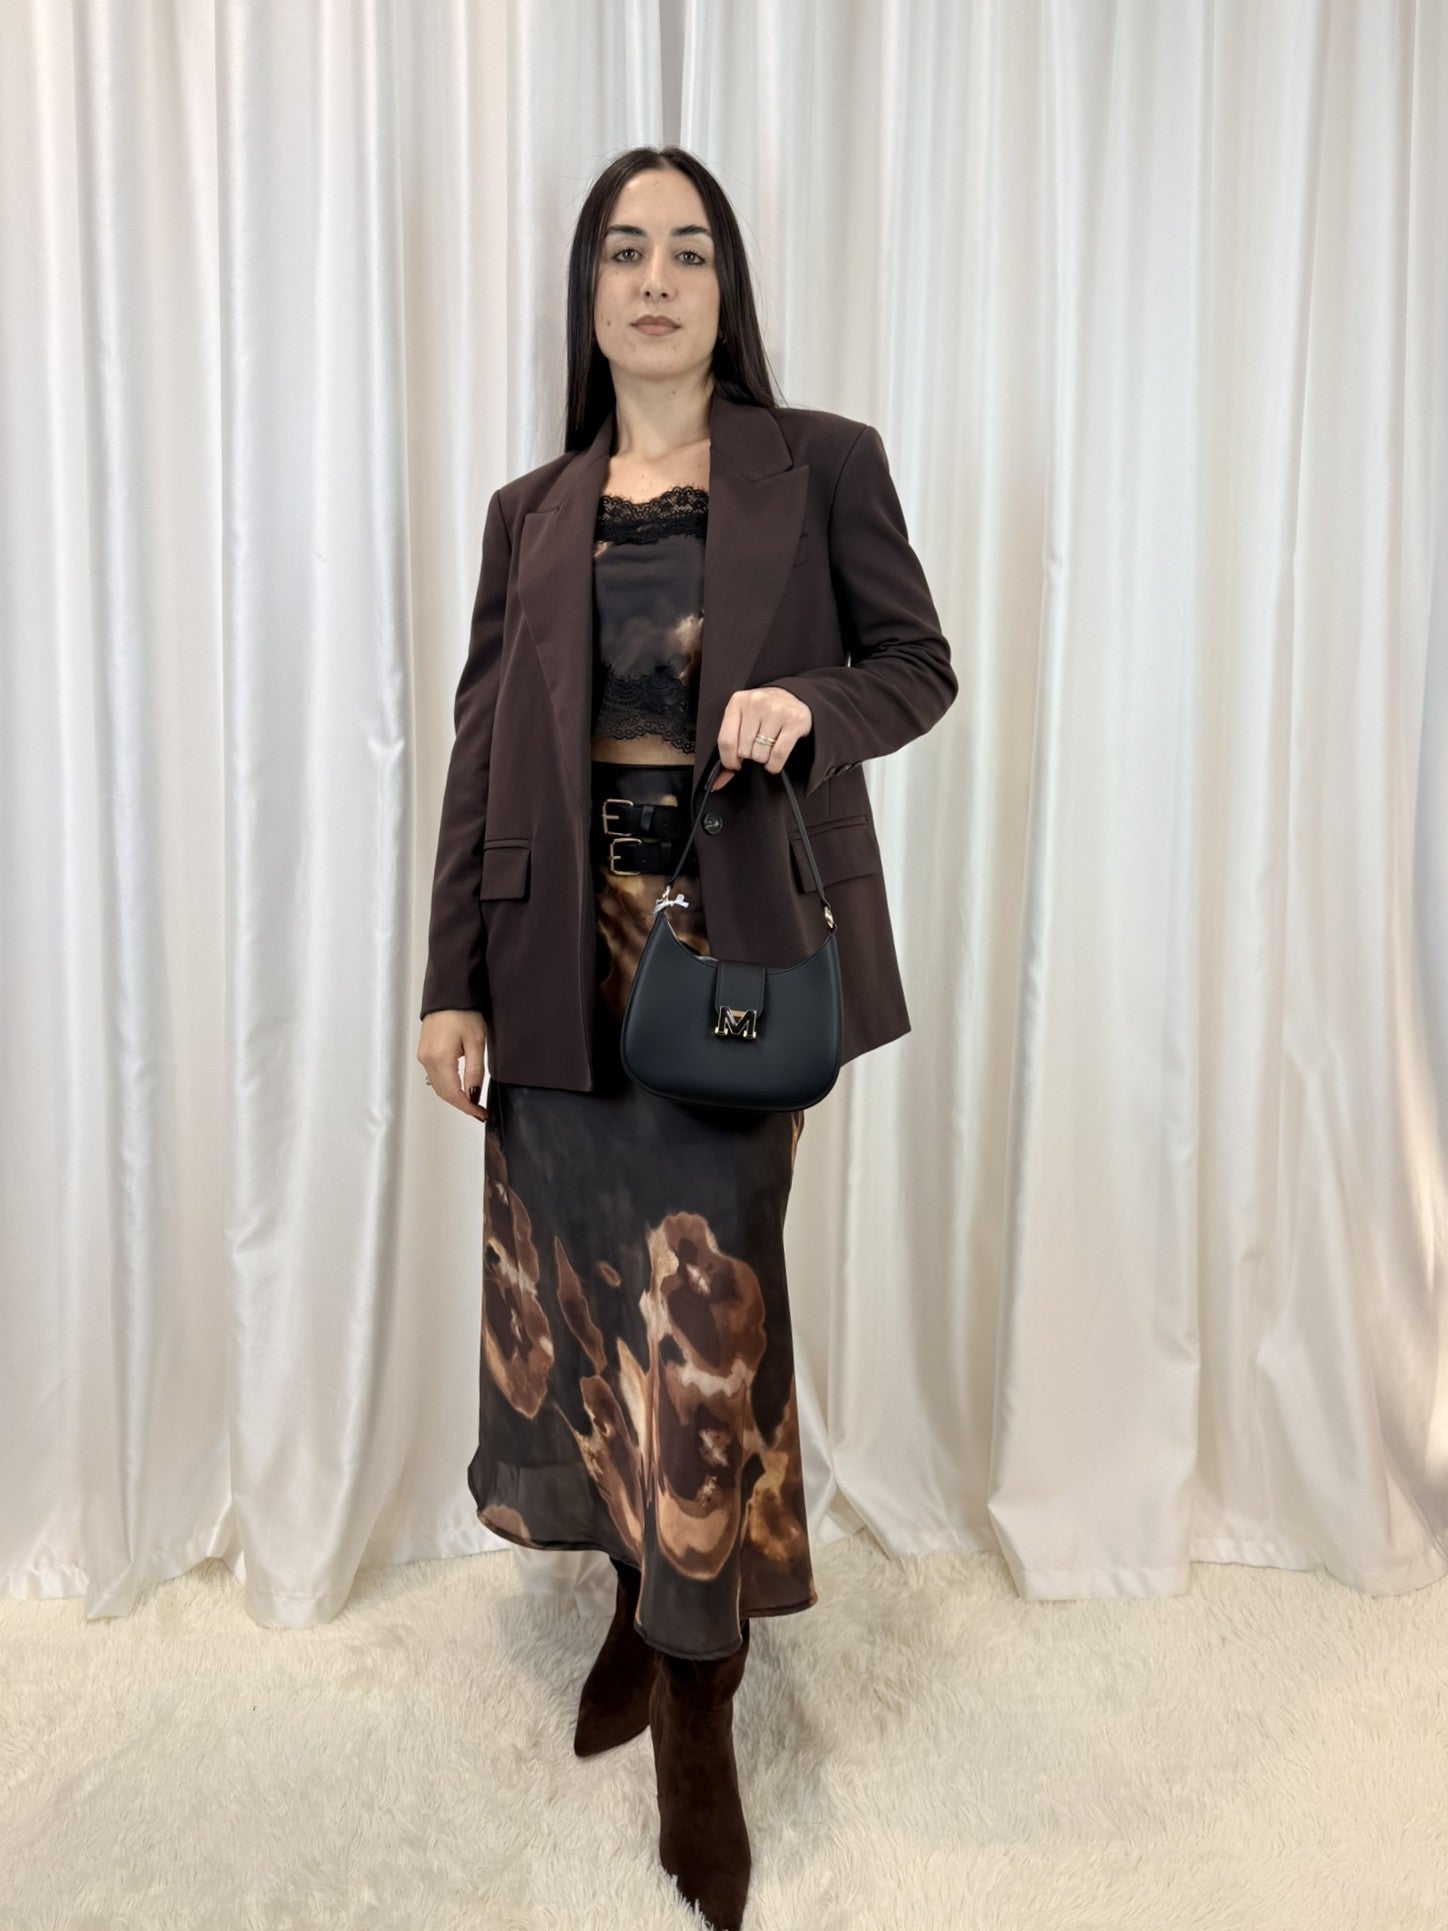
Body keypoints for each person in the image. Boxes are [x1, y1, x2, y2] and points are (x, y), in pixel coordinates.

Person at [417, 144, 957, 1931]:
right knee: (586, 1329)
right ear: (589, 293)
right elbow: (482, 755)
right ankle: (634, 1624)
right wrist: (448, 979)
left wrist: (809, 705)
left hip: (724, 976)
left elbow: (921, 665)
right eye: (625, 251)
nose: (656, 279)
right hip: (550, 979)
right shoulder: (530, 510)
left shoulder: (821, 465)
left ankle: (701, 1718)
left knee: (703, 1344)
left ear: (727, 290)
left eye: (690, 252)